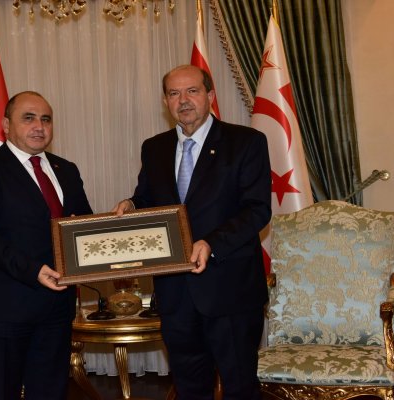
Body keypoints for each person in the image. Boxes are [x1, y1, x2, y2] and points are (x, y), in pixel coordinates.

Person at [112, 65, 271, 399]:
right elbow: (148, 198)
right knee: (188, 388)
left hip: (230, 288)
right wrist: (132, 204)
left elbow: (257, 209)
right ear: (165, 101)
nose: (183, 100)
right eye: (174, 93)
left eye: (192, 91)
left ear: (210, 95)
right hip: (175, 292)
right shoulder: (154, 148)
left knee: (240, 388)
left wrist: (212, 243)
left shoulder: (246, 142)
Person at [0, 91, 93, 400]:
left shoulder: (66, 169)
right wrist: (34, 270)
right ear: (6, 125)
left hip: (56, 307)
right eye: (28, 118)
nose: (39, 126)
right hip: (3, 308)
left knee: (51, 392)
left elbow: (82, 223)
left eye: (46, 119)